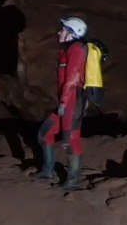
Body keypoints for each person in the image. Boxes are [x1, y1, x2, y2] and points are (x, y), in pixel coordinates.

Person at [38, 17, 102, 189]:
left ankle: (73, 180)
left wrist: (64, 103)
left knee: (69, 139)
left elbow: (73, 79)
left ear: (71, 33)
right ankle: (48, 170)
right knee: (45, 133)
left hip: (73, 100)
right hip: (66, 100)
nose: (59, 32)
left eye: (63, 29)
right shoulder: (66, 51)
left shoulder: (77, 50)